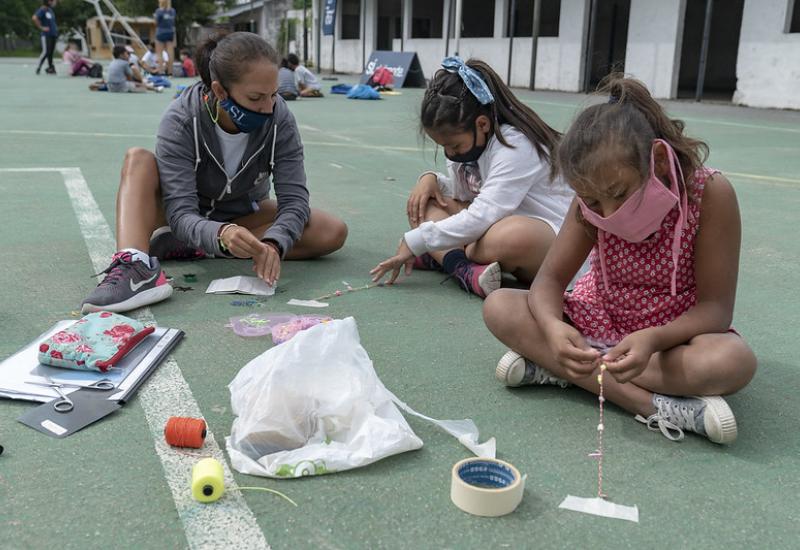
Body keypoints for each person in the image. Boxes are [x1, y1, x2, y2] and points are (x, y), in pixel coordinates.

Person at [483, 75, 757, 445]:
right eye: (594, 202)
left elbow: (715, 309)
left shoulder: (709, 194)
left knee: (731, 361)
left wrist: (652, 339)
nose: (608, 213)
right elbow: (548, 282)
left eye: (619, 193)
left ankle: (559, 369)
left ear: (658, 160)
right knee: (499, 305)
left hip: (669, 342)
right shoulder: (588, 201)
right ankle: (652, 405)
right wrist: (552, 327)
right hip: (597, 322)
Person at [80, 32, 348, 313]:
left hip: (241, 213)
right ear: (220, 91)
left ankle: (200, 247)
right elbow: (181, 212)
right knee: (138, 160)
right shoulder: (181, 119)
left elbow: (294, 199)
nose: (269, 108)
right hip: (176, 215)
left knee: (331, 231)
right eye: (256, 97)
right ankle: (135, 266)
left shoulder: (279, 117)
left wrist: (273, 242)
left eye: (274, 94)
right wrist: (220, 232)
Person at [370, 57, 573, 298]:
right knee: (426, 202)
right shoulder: (469, 148)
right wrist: (431, 180)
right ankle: (463, 269)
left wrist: (418, 241)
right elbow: (461, 194)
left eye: (454, 145)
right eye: (443, 147)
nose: (450, 153)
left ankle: (448, 256)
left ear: (482, 124)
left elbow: (484, 213)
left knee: (507, 237)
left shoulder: (516, 145)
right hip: (494, 222)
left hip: (551, 237)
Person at [32, 0, 58, 75]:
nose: (54, 3)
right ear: (49, 1)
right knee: (46, 51)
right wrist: (41, 27)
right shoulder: (42, 9)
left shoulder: (50, 10)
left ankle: (50, 68)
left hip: (53, 34)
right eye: (53, 1)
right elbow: (34, 18)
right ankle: (38, 67)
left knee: (51, 53)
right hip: (46, 35)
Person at [154, 0, 176, 75]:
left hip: (160, 32)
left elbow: (156, 23)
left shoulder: (158, 11)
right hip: (170, 32)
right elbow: (172, 22)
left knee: (159, 53)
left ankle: (161, 72)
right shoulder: (172, 11)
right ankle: (170, 72)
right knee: (170, 53)